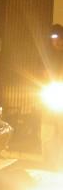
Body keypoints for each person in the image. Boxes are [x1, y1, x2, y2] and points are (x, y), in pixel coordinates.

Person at [40, 23, 63, 169]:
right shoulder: (48, 53)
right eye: (53, 38)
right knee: (46, 128)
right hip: (51, 94)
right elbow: (43, 71)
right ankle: (47, 159)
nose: (55, 41)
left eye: (58, 37)